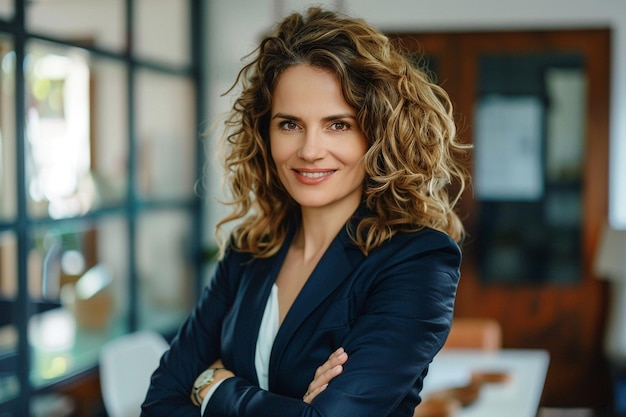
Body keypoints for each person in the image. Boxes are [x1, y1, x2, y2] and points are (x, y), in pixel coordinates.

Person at [141, 6, 469, 417]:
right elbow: (159, 404)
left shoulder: (416, 262)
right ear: (266, 132)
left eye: (338, 124)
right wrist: (295, 408)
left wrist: (212, 387)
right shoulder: (249, 250)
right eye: (290, 124)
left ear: (377, 134)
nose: (310, 151)